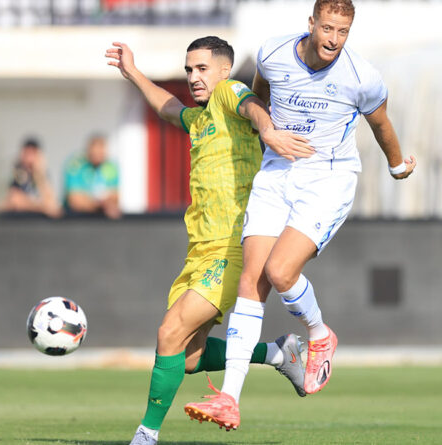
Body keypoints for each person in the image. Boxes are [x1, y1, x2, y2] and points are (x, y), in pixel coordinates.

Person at [184, 0, 417, 430]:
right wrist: (266, 132)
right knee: (252, 283)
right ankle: (229, 400)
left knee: (280, 272)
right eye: (327, 28)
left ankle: (319, 334)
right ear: (311, 24)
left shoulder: (361, 76)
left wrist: (397, 164)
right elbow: (259, 93)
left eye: (342, 32)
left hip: (327, 180)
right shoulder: (273, 53)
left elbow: (381, 125)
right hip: (275, 175)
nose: (333, 39)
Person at [106, 36, 315, 444]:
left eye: (201, 69)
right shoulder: (200, 120)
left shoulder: (228, 93)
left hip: (232, 247)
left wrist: (268, 130)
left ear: (222, 70)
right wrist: (132, 72)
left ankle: (146, 435)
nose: (194, 77)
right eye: (188, 70)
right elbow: (171, 109)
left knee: (169, 332)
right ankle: (278, 353)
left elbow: (251, 105)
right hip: (199, 253)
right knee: (188, 358)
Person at [0, 137, 61, 218]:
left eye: (33, 154)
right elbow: (14, 200)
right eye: (26, 154)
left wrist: (40, 174)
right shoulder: (17, 174)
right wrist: (42, 207)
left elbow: (53, 208)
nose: (29, 159)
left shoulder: (43, 176)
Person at [63, 135, 122, 219]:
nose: (98, 153)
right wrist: (100, 204)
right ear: (89, 150)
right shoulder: (76, 166)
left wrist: (104, 203)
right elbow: (75, 200)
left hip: (101, 222)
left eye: (101, 149)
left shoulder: (111, 167)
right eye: (95, 149)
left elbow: (116, 196)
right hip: (76, 219)